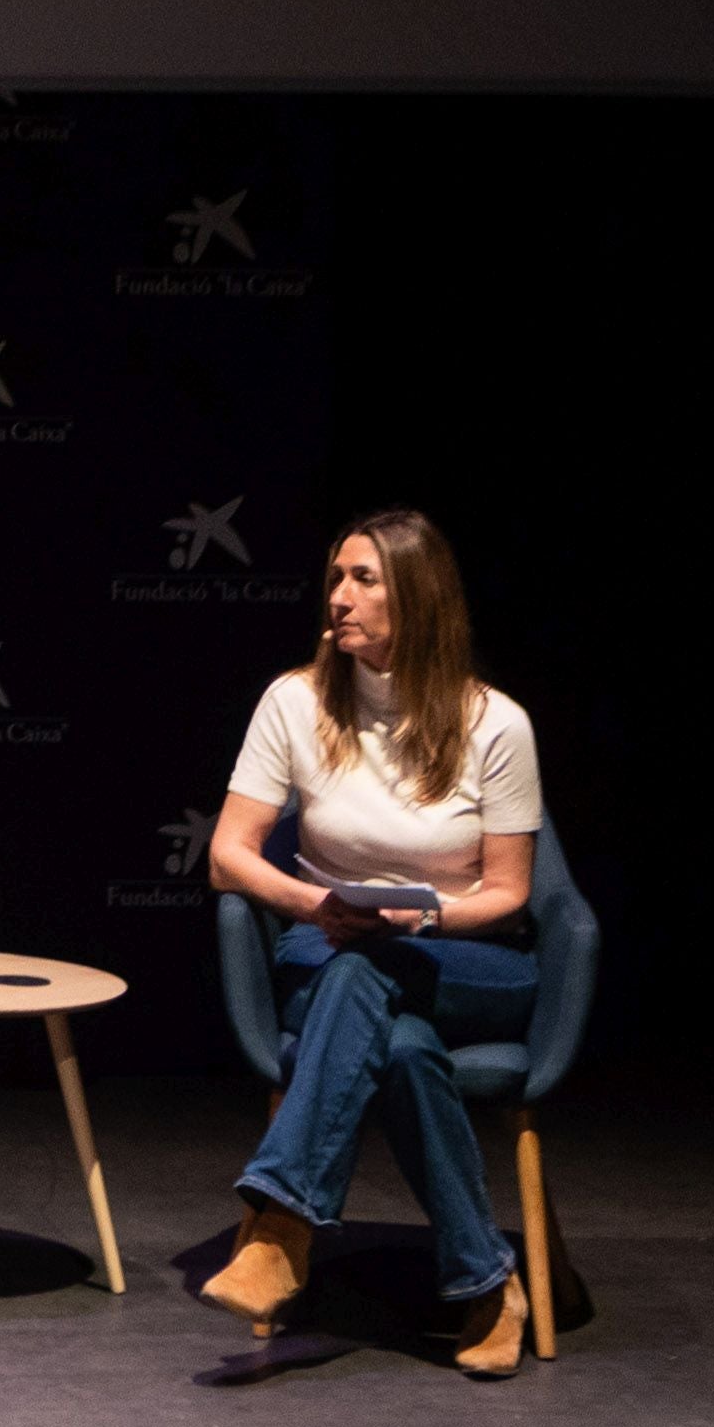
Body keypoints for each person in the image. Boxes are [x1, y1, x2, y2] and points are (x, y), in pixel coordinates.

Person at [196, 510, 547, 1378]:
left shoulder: (496, 724)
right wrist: (317, 904)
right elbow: (227, 857)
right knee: (398, 1043)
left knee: (372, 970)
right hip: (331, 945)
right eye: (336, 578)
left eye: (364, 579)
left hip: (469, 962)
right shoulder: (296, 701)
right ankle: (485, 1281)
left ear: (418, 596)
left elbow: (508, 895)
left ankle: (280, 1225)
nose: (339, 598)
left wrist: (413, 920)